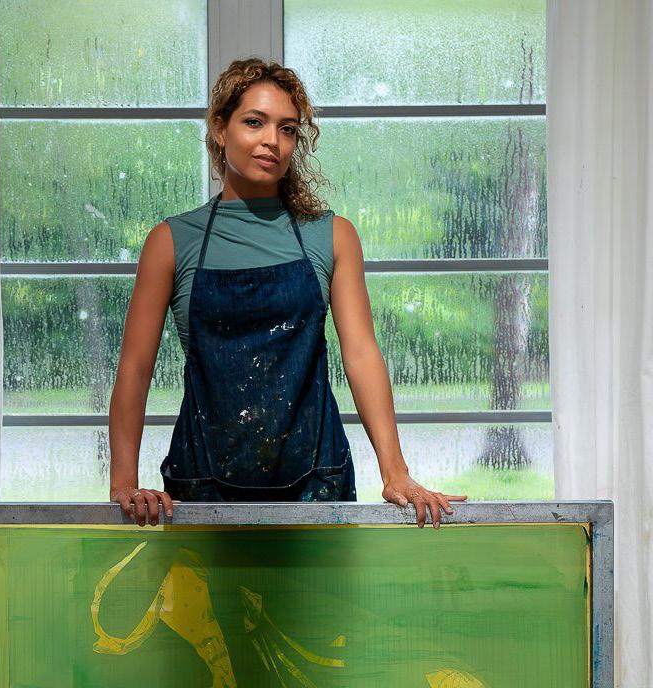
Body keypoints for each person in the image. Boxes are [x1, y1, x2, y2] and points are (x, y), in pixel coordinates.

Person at [109, 57, 467, 528]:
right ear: (220, 129)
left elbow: (361, 354)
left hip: (317, 481)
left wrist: (395, 473)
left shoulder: (332, 235)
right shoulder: (172, 241)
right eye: (254, 122)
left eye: (288, 129)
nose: (272, 141)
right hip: (202, 483)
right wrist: (123, 484)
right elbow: (135, 370)